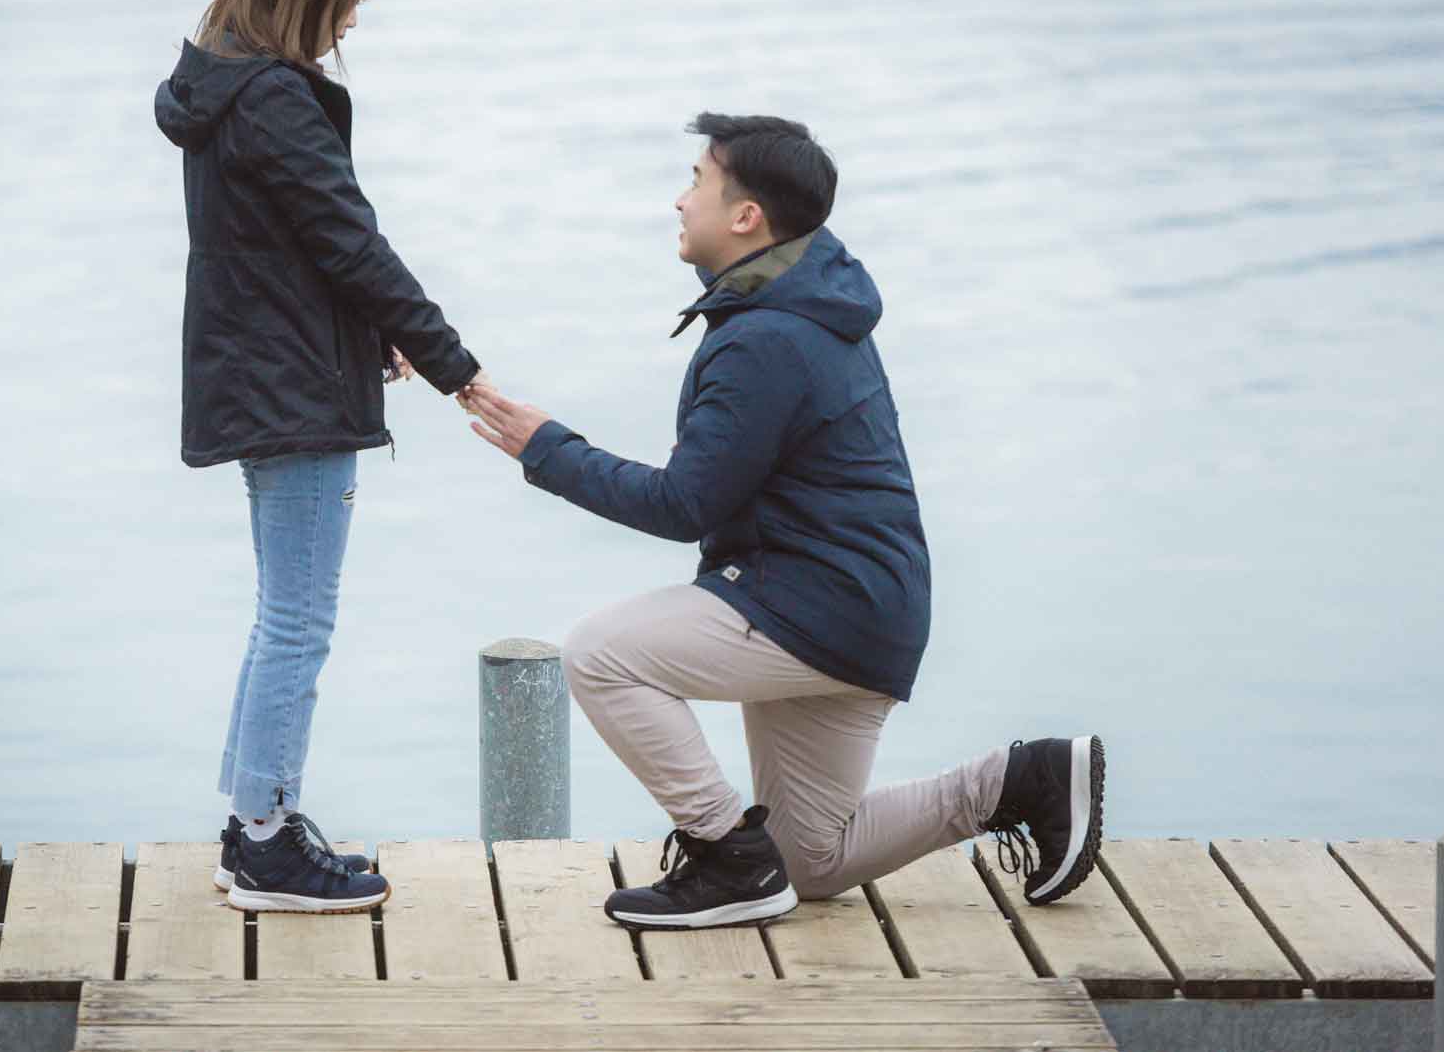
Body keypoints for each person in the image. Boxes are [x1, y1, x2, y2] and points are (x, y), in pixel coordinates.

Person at [463, 113, 1104, 928]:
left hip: (810, 603)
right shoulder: (806, 306)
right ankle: (1022, 781)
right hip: (861, 610)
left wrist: (546, 449)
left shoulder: (767, 337)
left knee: (600, 654)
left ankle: (726, 854)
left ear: (745, 215)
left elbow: (683, 504)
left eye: (696, 181)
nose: (678, 200)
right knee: (812, 861)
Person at [154, 0, 490, 914]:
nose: (350, 26)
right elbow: (349, 241)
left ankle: (253, 822)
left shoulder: (222, 85)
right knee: (298, 621)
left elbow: (287, 251)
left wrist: (362, 333)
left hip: (271, 369)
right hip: (290, 391)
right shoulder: (275, 101)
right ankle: (264, 841)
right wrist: (452, 364)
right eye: (347, 5)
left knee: (281, 618)